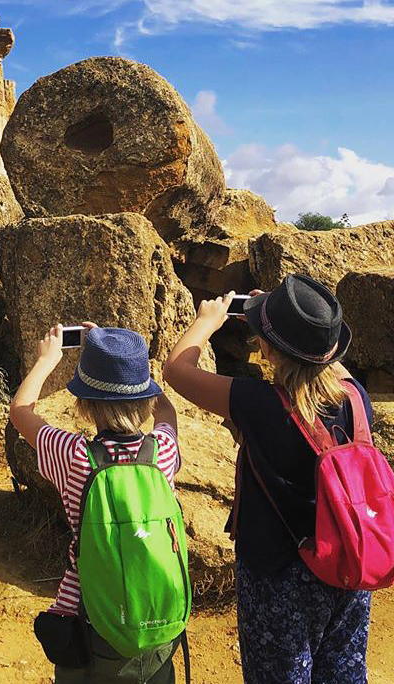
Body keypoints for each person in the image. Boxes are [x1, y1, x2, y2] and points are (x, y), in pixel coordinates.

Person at [162, 275, 373, 684]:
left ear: (269, 348)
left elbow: (175, 368)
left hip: (277, 575)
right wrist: (287, 324)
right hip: (348, 560)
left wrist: (209, 320)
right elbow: (325, 361)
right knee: (343, 670)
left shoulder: (258, 404)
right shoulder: (355, 398)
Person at [10, 323, 186, 684]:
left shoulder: (76, 456)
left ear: (85, 405)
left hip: (93, 626)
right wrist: (136, 368)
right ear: (146, 399)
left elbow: (21, 411)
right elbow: (167, 416)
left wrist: (48, 359)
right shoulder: (162, 452)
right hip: (159, 629)